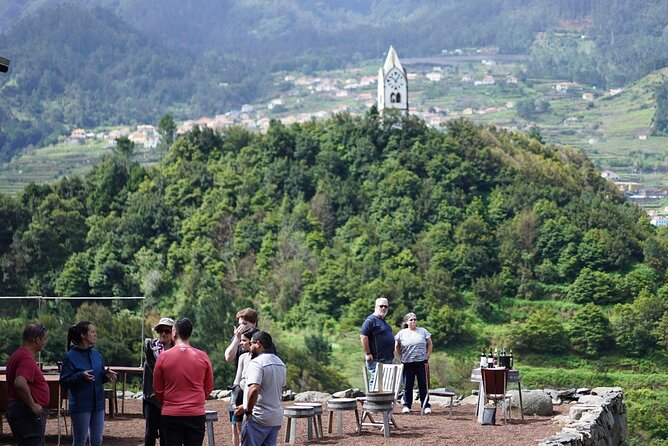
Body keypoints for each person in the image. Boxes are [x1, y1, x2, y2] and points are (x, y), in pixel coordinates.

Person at [153, 317, 214, 446]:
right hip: (195, 413)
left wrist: (167, 401)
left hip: (171, 413)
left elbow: (157, 388)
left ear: (174, 334)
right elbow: (208, 387)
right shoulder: (202, 356)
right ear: (190, 334)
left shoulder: (163, 357)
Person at [60, 321, 118, 446]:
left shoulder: (97, 355)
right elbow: (64, 381)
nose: (95, 335)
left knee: (98, 441)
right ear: (83, 335)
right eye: (92, 332)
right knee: (80, 441)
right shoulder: (70, 356)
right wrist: (80, 376)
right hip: (81, 404)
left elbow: (98, 377)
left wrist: (105, 376)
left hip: (98, 404)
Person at [233, 331, 286, 446]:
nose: (250, 347)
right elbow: (276, 391)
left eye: (251, 343)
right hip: (275, 417)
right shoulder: (280, 363)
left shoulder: (257, 363)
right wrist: (244, 406)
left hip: (258, 417)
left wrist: (248, 411)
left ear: (258, 344)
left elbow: (254, 389)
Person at [6, 323, 50, 446]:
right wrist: (32, 405)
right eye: (44, 339)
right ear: (37, 340)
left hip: (20, 410)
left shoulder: (17, 355)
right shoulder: (26, 358)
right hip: (26, 414)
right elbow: (19, 383)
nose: (44, 342)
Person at [143, 317, 175, 446]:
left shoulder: (178, 350)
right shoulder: (151, 347)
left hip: (169, 398)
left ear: (173, 333)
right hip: (151, 397)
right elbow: (157, 368)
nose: (163, 334)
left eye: (167, 331)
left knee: (166, 433)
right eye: (160, 330)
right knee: (150, 431)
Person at [395, 312, 432, 413]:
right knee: (407, 385)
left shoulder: (423, 331)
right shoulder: (401, 333)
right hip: (407, 363)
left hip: (421, 362)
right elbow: (397, 346)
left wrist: (427, 356)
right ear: (406, 322)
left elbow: (429, 343)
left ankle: (425, 405)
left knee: (423, 384)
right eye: (411, 319)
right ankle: (407, 405)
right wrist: (400, 357)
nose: (413, 321)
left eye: (415, 319)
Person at [229, 327, 259, 446]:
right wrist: (233, 401)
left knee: (249, 431)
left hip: (252, 395)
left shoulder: (259, 359)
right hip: (240, 393)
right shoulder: (242, 357)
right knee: (238, 429)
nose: (241, 343)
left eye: (244, 340)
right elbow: (237, 380)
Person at [360, 297, 395, 388]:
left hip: (387, 358)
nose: (383, 308)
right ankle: (372, 402)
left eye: (386, 306)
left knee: (385, 384)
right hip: (376, 359)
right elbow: (363, 337)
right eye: (381, 306)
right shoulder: (370, 321)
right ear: (375, 307)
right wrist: (368, 353)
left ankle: (383, 402)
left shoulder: (385, 323)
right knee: (376, 382)